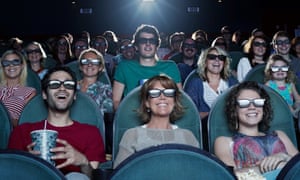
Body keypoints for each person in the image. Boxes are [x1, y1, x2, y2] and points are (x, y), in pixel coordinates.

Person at [8, 66, 106, 179]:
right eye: (55, 84)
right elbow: (11, 173)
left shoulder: (90, 133)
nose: (62, 88)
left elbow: (93, 177)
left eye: (68, 85)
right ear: (44, 94)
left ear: (74, 95)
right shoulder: (22, 132)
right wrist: (29, 164)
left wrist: (83, 162)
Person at [214, 81, 298, 178]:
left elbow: (298, 166)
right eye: (244, 103)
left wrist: (284, 157)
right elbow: (230, 176)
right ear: (235, 109)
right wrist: (277, 166)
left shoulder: (280, 135)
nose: (252, 107)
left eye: (258, 102)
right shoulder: (223, 141)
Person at [113, 75, 200, 168]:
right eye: (154, 93)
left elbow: (198, 172)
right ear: (147, 102)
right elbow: (121, 174)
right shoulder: (132, 135)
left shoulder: (188, 136)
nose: (162, 97)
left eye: (169, 92)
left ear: (174, 101)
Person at [112, 24, 182, 110]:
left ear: (157, 46)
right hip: (133, 118)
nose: (148, 44)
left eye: (152, 41)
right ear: (136, 46)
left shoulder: (170, 67)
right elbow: (116, 101)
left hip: (163, 117)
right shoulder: (124, 67)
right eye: (143, 41)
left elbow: (180, 99)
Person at [184, 46, 238, 150]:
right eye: (212, 57)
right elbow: (190, 115)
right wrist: (214, 115)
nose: (217, 60)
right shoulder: (196, 83)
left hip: (230, 131)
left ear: (224, 62)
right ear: (205, 61)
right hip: (206, 132)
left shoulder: (232, 82)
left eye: (221, 57)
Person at [0, 50, 37, 127]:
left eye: (15, 62)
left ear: (22, 65)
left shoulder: (30, 92)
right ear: (2, 67)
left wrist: (5, 118)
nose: (11, 66)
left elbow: (26, 122)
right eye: (6, 63)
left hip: (9, 131)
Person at [77, 48, 113, 116]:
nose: (90, 64)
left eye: (94, 61)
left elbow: (111, 109)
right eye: (85, 61)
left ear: (100, 67)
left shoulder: (105, 89)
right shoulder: (70, 87)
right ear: (81, 66)